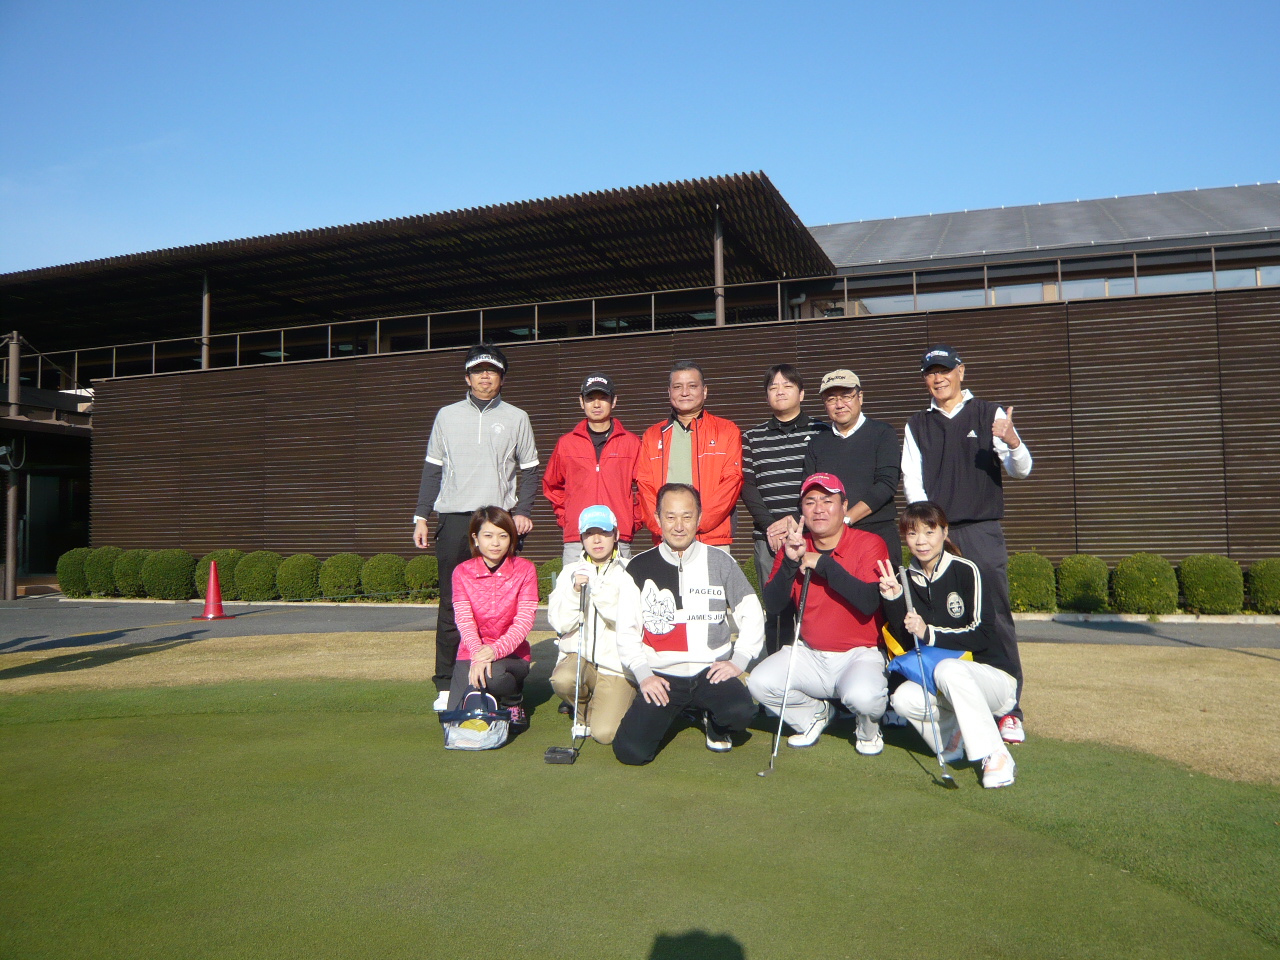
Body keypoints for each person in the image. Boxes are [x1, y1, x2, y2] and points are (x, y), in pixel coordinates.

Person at [901, 345, 1031, 745]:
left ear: (961, 371)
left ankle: (1008, 710)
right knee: (939, 615)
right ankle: (949, 705)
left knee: (995, 616)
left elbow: (1022, 469)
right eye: (930, 372)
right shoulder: (917, 424)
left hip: (981, 531)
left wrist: (1012, 441)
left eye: (944, 370)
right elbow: (913, 483)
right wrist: (928, 533)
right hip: (938, 534)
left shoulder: (989, 413)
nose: (937, 378)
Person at [413, 343, 540, 711]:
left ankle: (502, 674)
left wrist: (523, 510)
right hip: (455, 519)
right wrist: (421, 515)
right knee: (452, 605)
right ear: (467, 377)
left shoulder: (517, 417)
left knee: (503, 604)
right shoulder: (446, 415)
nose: (486, 376)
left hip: (498, 521)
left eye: (493, 370)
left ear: (502, 378)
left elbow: (531, 470)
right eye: (479, 370)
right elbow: (433, 469)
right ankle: (445, 682)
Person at [612, 483, 765, 765]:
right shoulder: (639, 567)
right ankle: (678, 711)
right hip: (662, 676)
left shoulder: (721, 561)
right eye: (670, 517)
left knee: (741, 713)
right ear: (658, 519)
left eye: (687, 516)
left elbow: (752, 611)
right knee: (631, 752)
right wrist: (644, 675)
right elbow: (626, 630)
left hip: (711, 672)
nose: (679, 526)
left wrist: (740, 660)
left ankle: (713, 722)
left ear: (699, 518)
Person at [876, 501, 1019, 788]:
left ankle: (996, 754)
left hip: (992, 680)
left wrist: (929, 633)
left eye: (929, 532)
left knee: (948, 669)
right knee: (902, 698)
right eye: (913, 533)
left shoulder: (967, 570)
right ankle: (953, 739)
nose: (921, 541)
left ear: (944, 532)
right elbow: (909, 645)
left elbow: (982, 634)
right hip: (943, 685)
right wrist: (893, 600)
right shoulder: (903, 578)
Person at [748, 473, 890, 755]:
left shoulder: (868, 542)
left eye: (827, 501)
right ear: (801, 510)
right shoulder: (794, 545)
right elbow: (774, 605)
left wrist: (823, 565)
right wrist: (790, 563)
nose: (819, 509)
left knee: (864, 698)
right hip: (810, 654)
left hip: (859, 654)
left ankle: (868, 731)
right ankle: (814, 714)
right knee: (759, 683)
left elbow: (868, 602)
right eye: (810, 502)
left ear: (844, 505)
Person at [740, 364, 825, 655]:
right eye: (773, 387)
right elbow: (748, 486)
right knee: (776, 609)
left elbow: (823, 483)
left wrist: (797, 523)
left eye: (787, 386)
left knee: (815, 604)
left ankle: (816, 667)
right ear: (766, 396)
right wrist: (770, 526)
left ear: (801, 393)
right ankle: (776, 668)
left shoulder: (821, 431)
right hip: (768, 539)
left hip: (811, 534)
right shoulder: (751, 437)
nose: (780, 391)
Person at [547, 504, 640, 745]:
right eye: (589, 533)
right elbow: (561, 623)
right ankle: (584, 713)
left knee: (605, 734)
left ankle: (620, 699)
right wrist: (576, 591)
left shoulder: (632, 571)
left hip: (618, 666)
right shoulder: (570, 571)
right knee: (563, 679)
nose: (596, 540)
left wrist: (597, 590)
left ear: (616, 535)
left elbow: (627, 620)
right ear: (581, 538)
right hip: (582, 658)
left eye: (604, 532)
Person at [448, 506, 540, 727]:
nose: (495, 543)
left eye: (503, 536)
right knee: (455, 720)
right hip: (472, 651)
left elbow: (524, 621)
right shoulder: (461, 571)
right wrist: (479, 654)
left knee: (493, 676)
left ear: (511, 539)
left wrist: (494, 651)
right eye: (488, 535)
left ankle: (512, 701)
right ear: (476, 538)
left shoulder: (525, 569)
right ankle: (493, 696)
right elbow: (464, 619)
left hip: (512, 655)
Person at [636, 361, 743, 551]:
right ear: (669, 392)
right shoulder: (652, 436)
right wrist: (664, 527)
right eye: (678, 387)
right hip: (665, 540)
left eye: (692, 386)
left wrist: (695, 523)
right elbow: (645, 487)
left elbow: (731, 482)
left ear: (705, 391)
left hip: (712, 540)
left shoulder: (727, 431)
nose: (685, 392)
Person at [803, 369, 902, 568]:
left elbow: (886, 483)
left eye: (846, 396)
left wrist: (846, 519)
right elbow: (809, 491)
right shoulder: (817, 443)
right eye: (831, 399)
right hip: (831, 540)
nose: (839, 404)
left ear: (860, 397)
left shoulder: (883, 433)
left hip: (877, 531)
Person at [542, 373, 643, 566]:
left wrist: (631, 521)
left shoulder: (631, 443)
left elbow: (644, 487)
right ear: (581, 402)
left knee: (619, 585)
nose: (596, 404)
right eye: (590, 399)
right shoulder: (566, 444)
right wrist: (568, 519)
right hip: (577, 537)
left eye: (603, 398)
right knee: (576, 586)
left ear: (614, 401)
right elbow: (552, 486)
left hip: (617, 535)